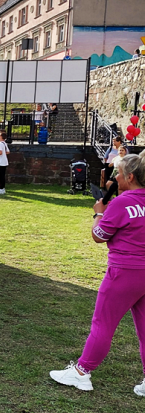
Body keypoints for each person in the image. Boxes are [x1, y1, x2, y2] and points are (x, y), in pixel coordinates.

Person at [49, 151, 145, 394]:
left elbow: (99, 235)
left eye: (118, 173)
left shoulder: (122, 202)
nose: (115, 178)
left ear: (130, 177)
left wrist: (98, 213)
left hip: (124, 272)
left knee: (103, 324)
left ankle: (81, 372)